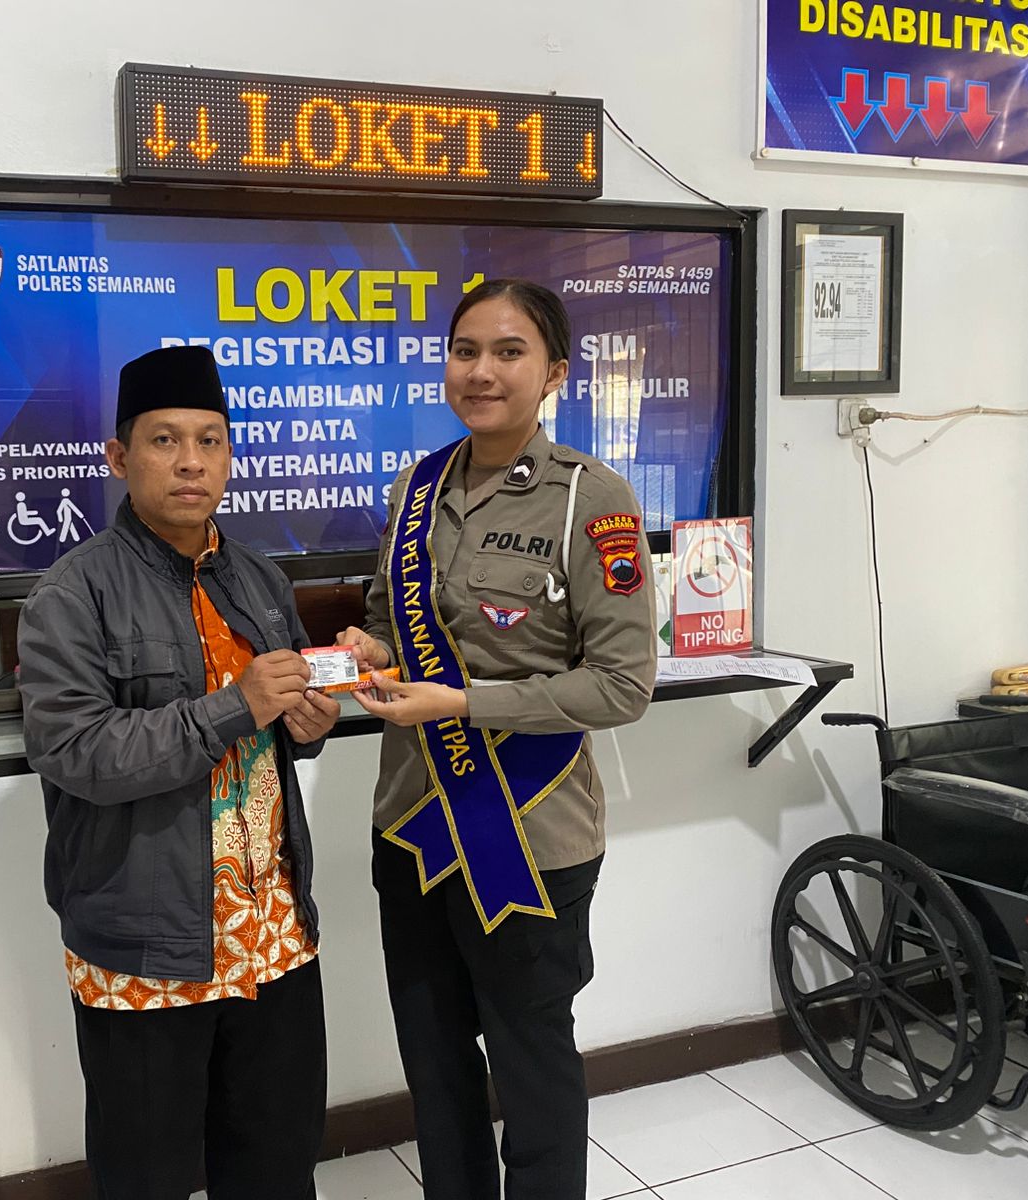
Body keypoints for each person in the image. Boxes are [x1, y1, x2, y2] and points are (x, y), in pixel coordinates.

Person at [337, 279, 657, 1200]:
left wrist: (464, 704)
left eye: (509, 352)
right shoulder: (417, 488)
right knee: (434, 1061)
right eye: (465, 350)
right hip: (412, 825)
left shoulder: (592, 500)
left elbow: (623, 684)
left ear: (554, 373)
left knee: (530, 1063)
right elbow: (393, 623)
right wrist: (372, 649)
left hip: (532, 833)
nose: (481, 371)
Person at [18, 344, 341, 1200]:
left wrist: (305, 726)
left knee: (277, 1167)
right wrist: (237, 705)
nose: (191, 461)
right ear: (119, 458)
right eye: (164, 440)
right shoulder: (72, 593)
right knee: (147, 1177)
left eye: (210, 440)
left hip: (272, 934)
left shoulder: (260, 579)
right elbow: (76, 750)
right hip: (146, 946)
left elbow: (275, 731)